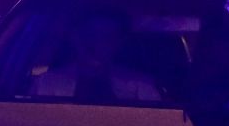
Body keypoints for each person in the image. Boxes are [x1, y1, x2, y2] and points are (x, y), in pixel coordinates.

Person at [29, 9, 162, 103]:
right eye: (89, 35)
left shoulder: (142, 87)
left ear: (119, 43)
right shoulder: (45, 84)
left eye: (105, 37)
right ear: (74, 38)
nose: (94, 44)